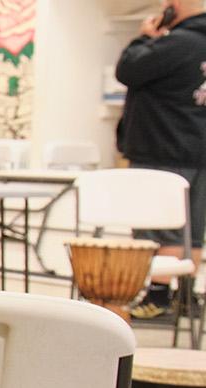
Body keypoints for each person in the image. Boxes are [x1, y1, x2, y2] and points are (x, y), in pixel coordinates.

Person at [117, 0, 206, 319]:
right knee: (191, 230)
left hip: (161, 149)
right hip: (198, 153)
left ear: (175, 7)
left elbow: (128, 70)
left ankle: (158, 298)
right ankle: (185, 296)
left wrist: (144, 37)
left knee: (158, 229)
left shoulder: (175, 43)